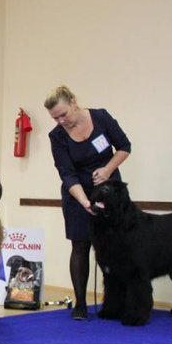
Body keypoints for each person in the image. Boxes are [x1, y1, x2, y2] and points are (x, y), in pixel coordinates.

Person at [44, 85, 131, 320]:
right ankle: (81, 304)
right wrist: (84, 201)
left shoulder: (101, 118)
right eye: (55, 118)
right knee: (80, 246)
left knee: (115, 247)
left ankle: (117, 301)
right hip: (77, 194)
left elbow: (124, 146)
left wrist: (107, 169)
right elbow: (67, 173)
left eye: (63, 114)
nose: (61, 121)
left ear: (73, 102)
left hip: (109, 190)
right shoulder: (57, 136)